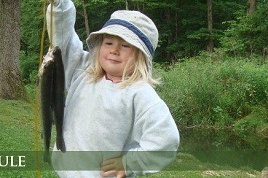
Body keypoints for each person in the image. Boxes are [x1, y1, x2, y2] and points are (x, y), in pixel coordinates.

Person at [46, 0, 180, 177]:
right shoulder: (83, 71)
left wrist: (130, 163)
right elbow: (63, 38)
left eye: (125, 46)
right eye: (108, 43)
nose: (114, 50)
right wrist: (59, 6)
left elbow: (166, 140)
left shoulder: (140, 94)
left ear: (141, 56)